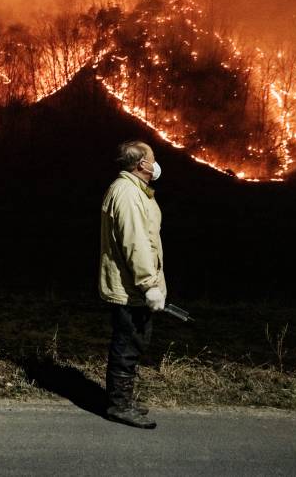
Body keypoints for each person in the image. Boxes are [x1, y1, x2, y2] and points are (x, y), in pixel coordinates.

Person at [99, 140, 167, 429]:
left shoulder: (134, 190)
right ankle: (119, 406)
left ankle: (122, 400)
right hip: (131, 289)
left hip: (132, 286)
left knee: (133, 342)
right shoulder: (127, 193)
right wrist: (149, 284)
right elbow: (135, 243)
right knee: (127, 344)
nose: (156, 164)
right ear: (142, 164)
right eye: (153, 158)